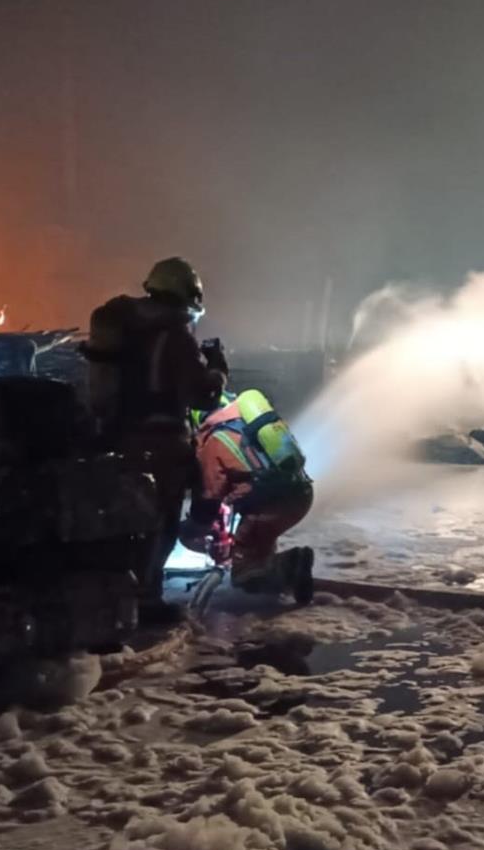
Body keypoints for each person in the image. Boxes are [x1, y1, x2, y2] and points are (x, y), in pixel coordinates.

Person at [86, 257, 227, 620]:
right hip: (162, 440)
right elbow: (200, 394)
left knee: (129, 519)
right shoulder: (175, 335)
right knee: (159, 520)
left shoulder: (129, 327)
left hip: (121, 436)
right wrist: (216, 370)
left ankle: (118, 596)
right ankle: (146, 600)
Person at [182, 388, 315, 602]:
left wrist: (188, 531)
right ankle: (279, 573)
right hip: (301, 493)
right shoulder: (249, 422)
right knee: (259, 543)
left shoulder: (213, 441)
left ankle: (292, 564)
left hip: (269, 507)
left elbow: (207, 504)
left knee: (245, 576)